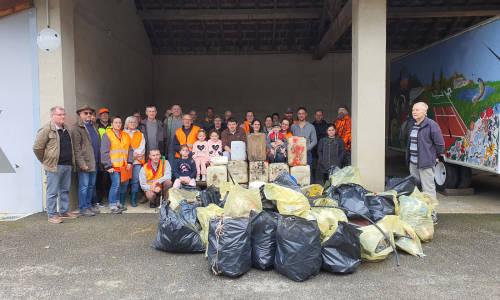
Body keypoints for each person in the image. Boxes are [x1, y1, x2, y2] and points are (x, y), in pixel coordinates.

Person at [33, 106, 77, 223]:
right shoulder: (46, 129)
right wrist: (45, 160)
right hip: (53, 166)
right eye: (59, 114)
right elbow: (37, 148)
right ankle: (52, 215)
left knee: (65, 190)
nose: (63, 116)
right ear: (52, 116)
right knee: (52, 191)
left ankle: (64, 211)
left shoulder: (66, 128)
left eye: (64, 114)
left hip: (67, 165)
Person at [406, 102, 444, 224]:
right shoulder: (412, 124)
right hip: (413, 162)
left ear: (424, 112)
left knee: (428, 190)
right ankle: (419, 213)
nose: (414, 112)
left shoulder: (432, 125)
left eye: (417, 110)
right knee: (415, 189)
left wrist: (435, 156)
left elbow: (440, 144)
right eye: (413, 110)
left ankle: (432, 216)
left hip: (426, 163)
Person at [71, 105, 101, 217]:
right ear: (80, 114)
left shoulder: (94, 126)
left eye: (90, 113)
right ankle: (83, 208)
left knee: (91, 186)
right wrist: (81, 164)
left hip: (94, 162)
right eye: (85, 113)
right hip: (85, 163)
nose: (88, 115)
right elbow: (76, 149)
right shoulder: (76, 128)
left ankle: (89, 205)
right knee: (84, 186)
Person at [101, 116, 133, 214]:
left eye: (119, 122)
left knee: (120, 185)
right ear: (111, 124)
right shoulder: (107, 135)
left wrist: (129, 162)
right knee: (116, 184)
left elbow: (130, 150)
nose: (118, 124)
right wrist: (108, 166)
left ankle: (117, 203)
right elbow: (104, 152)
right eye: (116, 122)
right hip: (113, 166)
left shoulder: (125, 135)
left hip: (123, 166)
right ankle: (112, 205)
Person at [123, 116, 146, 207]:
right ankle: (122, 199)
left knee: (135, 180)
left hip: (137, 161)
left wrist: (134, 155)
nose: (132, 123)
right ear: (127, 123)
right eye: (130, 122)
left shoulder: (140, 134)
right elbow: (121, 147)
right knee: (125, 181)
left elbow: (142, 147)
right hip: (125, 161)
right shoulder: (122, 133)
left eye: (134, 122)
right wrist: (129, 157)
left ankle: (133, 199)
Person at [291, 107, 317, 182]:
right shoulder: (293, 126)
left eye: (303, 113)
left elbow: (314, 141)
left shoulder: (311, 127)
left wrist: (306, 149)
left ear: (306, 115)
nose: (301, 115)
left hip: (307, 153)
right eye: (299, 114)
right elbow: (291, 139)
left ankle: (311, 192)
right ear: (297, 115)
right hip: (295, 154)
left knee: (308, 172)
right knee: (296, 172)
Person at [312, 109, 329, 180]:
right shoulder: (311, 126)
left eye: (320, 115)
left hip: (324, 151)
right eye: (317, 115)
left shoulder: (327, 126)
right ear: (314, 116)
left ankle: (326, 186)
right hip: (314, 151)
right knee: (313, 169)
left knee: (325, 169)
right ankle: (313, 184)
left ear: (322, 116)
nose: (318, 116)